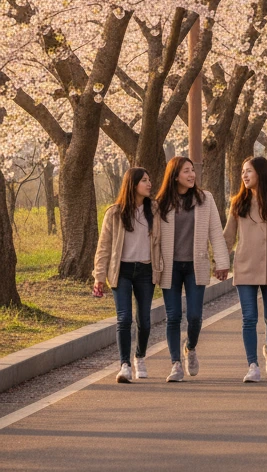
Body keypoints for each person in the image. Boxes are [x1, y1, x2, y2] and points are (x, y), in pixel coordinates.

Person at [155, 157, 230, 383]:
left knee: (195, 316)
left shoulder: (205, 199)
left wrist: (222, 261)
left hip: (195, 265)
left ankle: (191, 347)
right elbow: (154, 239)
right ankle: (175, 364)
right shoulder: (161, 203)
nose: (191, 175)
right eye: (186, 171)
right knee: (173, 317)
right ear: (175, 175)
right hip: (171, 267)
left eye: (192, 171)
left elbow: (216, 232)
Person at [224, 156, 267, 383]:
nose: (244, 176)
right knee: (249, 318)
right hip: (245, 267)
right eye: (243, 172)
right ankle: (252, 365)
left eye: (249, 171)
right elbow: (228, 236)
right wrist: (221, 263)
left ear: (261, 173)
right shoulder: (238, 202)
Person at [92, 167, 160, 384]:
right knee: (124, 318)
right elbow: (104, 246)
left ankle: (139, 357)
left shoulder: (155, 210)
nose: (149, 184)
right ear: (133, 184)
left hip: (146, 271)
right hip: (121, 271)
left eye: (149, 180)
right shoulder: (114, 212)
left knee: (145, 321)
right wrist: (99, 276)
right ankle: (124, 365)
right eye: (145, 181)